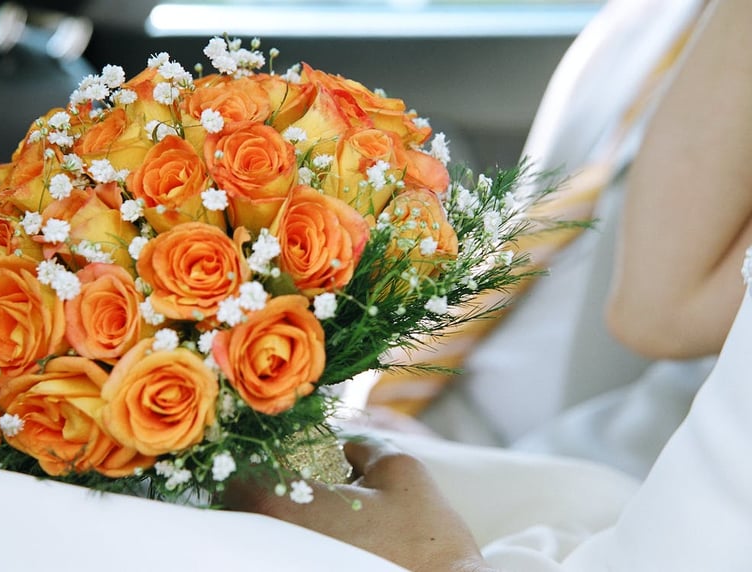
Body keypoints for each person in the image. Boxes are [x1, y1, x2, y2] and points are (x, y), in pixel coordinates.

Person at [226, 0, 752, 569]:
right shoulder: (644, 21)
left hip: (594, 475)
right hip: (457, 426)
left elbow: (653, 314)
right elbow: (538, 222)